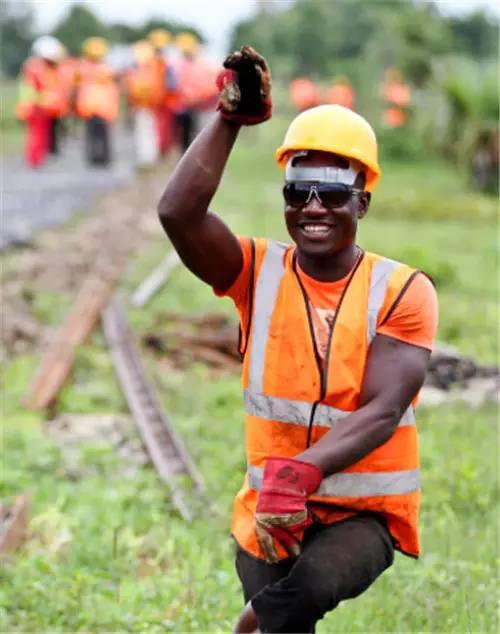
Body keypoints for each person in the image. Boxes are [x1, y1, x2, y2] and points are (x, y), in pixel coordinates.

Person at [157, 47, 438, 633]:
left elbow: (384, 410)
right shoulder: (255, 273)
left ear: (363, 200)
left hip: (362, 515)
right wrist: (230, 119)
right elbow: (179, 213)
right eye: (298, 189)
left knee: (302, 592)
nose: (314, 206)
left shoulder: (404, 291)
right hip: (270, 513)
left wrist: (301, 472)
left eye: (334, 191)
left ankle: (250, 624)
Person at [16, 36, 67, 168]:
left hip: (39, 107)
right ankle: (35, 158)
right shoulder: (37, 68)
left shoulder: (36, 67)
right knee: (38, 134)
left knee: (39, 134)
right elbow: (39, 89)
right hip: (37, 107)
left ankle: (36, 157)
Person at [76, 37, 119, 166]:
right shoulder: (107, 69)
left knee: (92, 135)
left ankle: (94, 158)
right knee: (104, 135)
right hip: (103, 109)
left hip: (90, 108)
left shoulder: (82, 68)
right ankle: (104, 158)